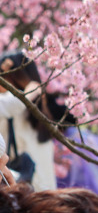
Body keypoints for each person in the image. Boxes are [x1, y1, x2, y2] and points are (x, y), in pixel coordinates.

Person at [0, 51, 60, 190]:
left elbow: (9, 105)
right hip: (44, 191)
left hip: (24, 192)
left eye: (3, 75)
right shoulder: (40, 114)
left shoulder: (13, 110)